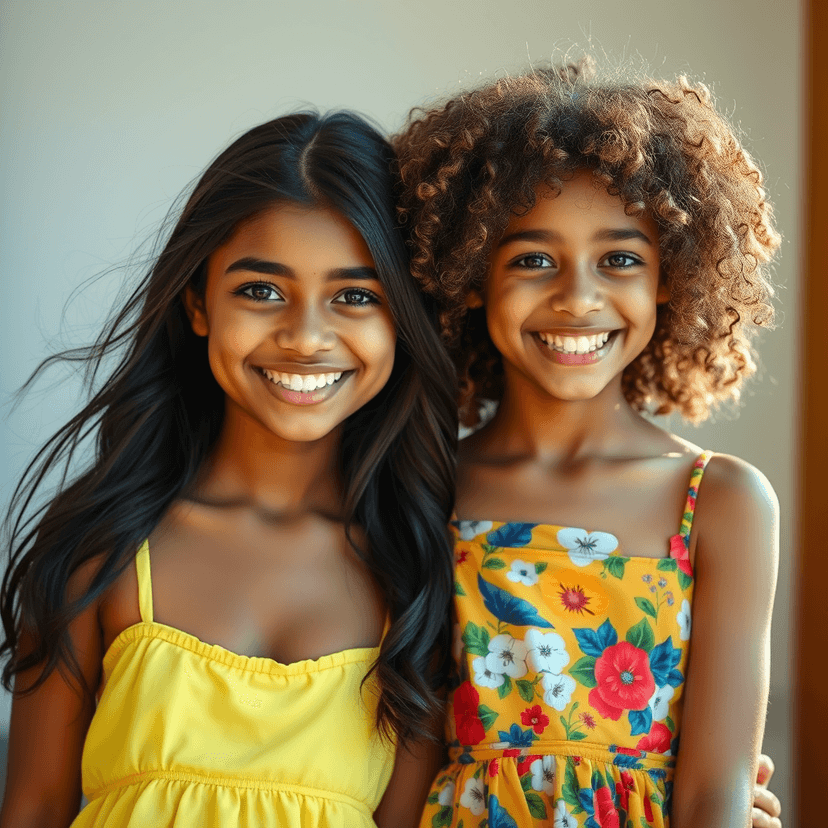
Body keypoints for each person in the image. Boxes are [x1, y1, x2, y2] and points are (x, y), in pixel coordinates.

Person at [0, 111, 457, 827]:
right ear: (197, 303)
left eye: (356, 296)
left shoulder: (425, 577)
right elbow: (32, 808)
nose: (306, 337)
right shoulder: (102, 552)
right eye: (262, 291)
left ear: (402, 321)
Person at [393, 59, 782, 828]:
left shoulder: (723, 503)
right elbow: (403, 770)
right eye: (533, 259)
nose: (578, 297)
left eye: (621, 260)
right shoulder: (426, 484)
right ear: (471, 274)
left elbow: (717, 796)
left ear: (671, 275)